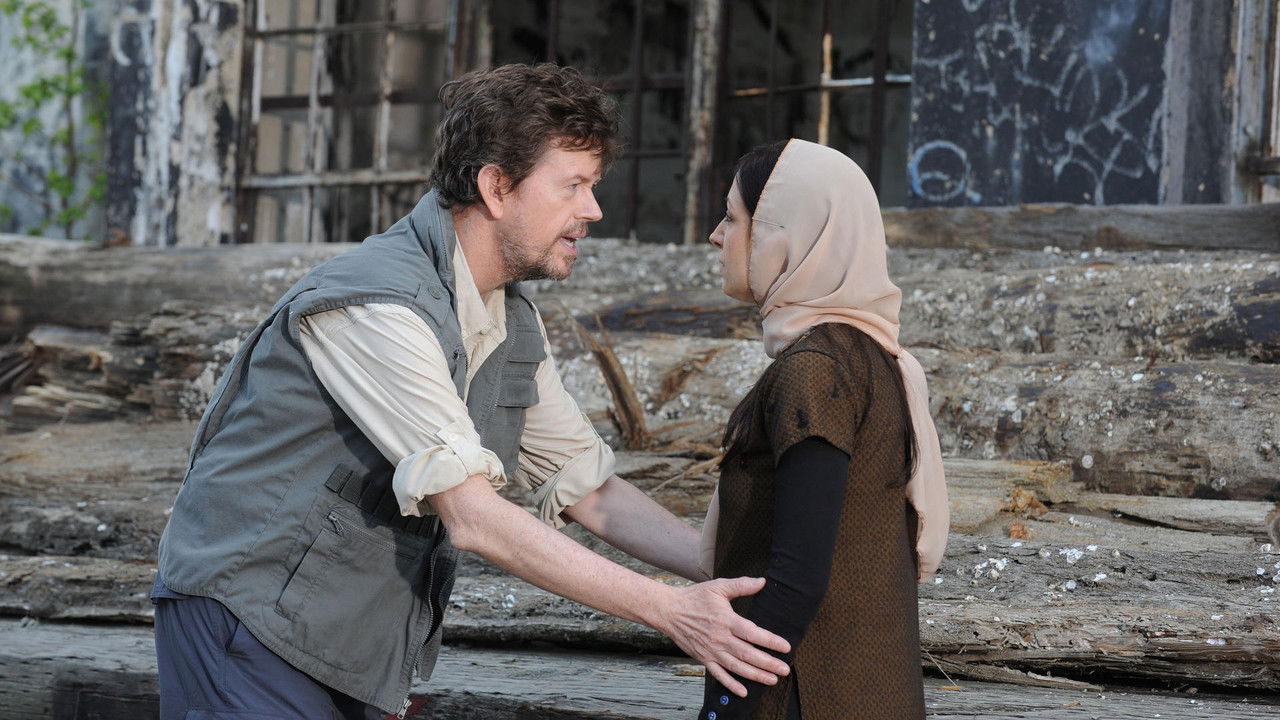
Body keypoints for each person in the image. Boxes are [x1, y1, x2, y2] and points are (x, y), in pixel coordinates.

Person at [150, 63, 791, 720]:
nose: (592, 210)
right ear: (496, 187)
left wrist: (727, 570)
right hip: (244, 621)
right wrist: (671, 611)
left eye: (593, 187)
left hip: (341, 642)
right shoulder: (376, 306)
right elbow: (474, 517)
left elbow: (585, 487)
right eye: (573, 186)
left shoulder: (509, 319)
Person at [696, 139, 950, 720]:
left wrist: (723, 712)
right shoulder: (869, 358)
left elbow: (797, 581)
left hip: (807, 696)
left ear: (783, 236)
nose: (716, 235)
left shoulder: (816, 370)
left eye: (733, 218)